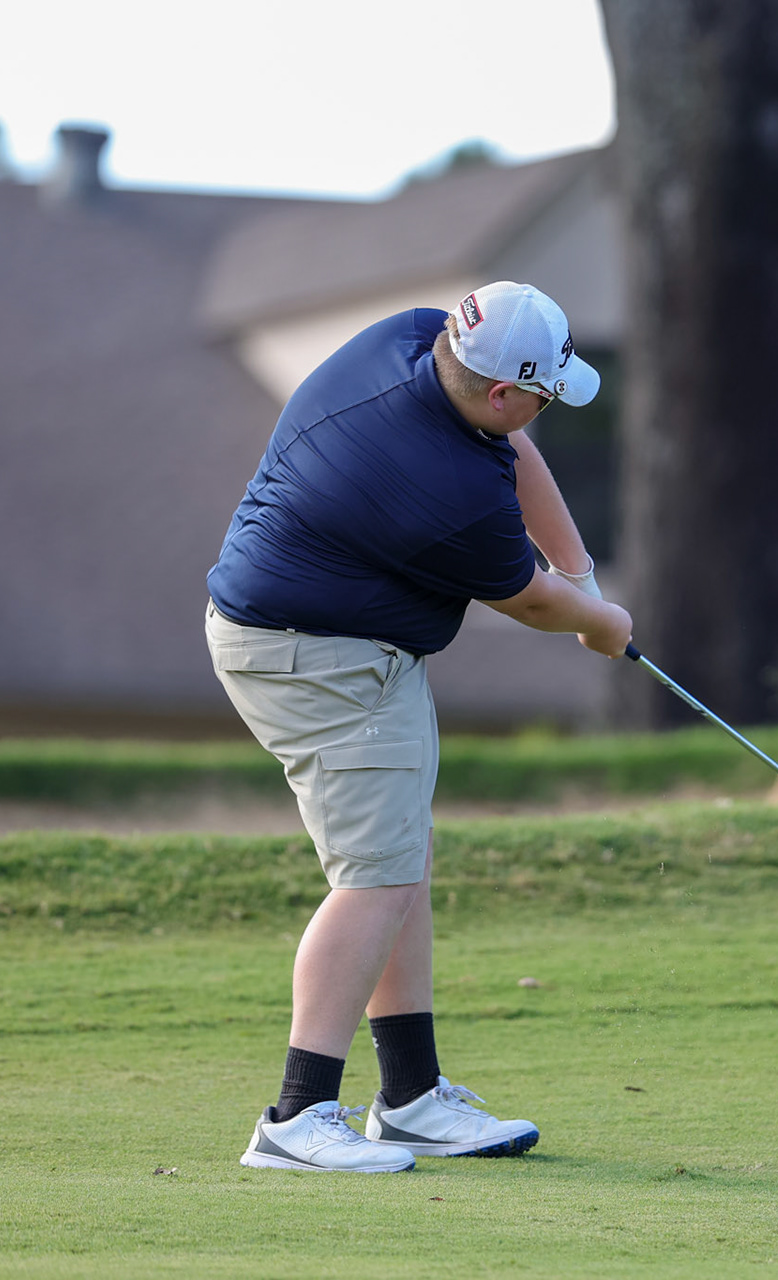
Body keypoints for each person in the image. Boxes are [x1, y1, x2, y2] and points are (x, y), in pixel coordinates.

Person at [204, 281, 632, 1173]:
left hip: (334, 638)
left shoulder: (416, 338)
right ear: (507, 391)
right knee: (375, 877)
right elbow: (532, 602)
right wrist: (602, 621)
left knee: (401, 861)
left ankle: (410, 1099)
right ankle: (295, 1118)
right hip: (310, 655)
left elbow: (515, 458)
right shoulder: (443, 489)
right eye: (543, 396)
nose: (543, 411)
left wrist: (583, 570)